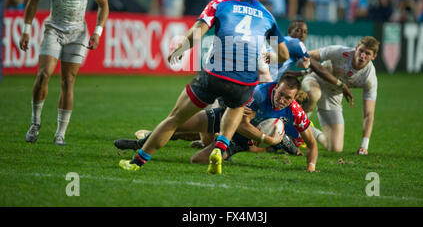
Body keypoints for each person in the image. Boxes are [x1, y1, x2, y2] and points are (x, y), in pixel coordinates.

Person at [119, 0, 289, 174]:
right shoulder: (267, 15)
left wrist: (179, 50)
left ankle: (137, 162)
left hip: (215, 74)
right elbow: (284, 55)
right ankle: (219, 147)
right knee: (235, 106)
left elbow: (196, 33)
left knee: (174, 119)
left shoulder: (220, 4)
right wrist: (266, 57)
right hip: (245, 80)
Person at [115, 74, 318, 172]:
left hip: (240, 142)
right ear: (276, 87)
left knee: (197, 160)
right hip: (226, 118)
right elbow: (238, 123)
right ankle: (138, 145)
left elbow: (312, 144)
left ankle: (222, 153)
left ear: (294, 98)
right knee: (178, 123)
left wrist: (311, 166)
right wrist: (268, 139)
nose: (281, 100)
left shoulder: (295, 112)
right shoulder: (259, 93)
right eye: (280, 94)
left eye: (287, 98)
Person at [19, 0, 109, 146]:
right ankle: (35, 122)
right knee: (43, 74)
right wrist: (26, 30)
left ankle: (60, 133)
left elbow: (104, 5)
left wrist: (98, 32)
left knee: (68, 82)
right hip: (54, 30)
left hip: (78, 34)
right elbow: (33, 1)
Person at [301, 36, 379, 155]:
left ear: (374, 57)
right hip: (316, 81)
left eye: (367, 53)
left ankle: (306, 127)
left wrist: (364, 145)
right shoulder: (341, 52)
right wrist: (306, 69)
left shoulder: (370, 78)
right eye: (361, 51)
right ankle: (295, 127)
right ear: (356, 48)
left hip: (334, 95)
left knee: (335, 148)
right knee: (314, 94)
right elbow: (307, 55)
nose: (362, 55)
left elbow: (369, 114)